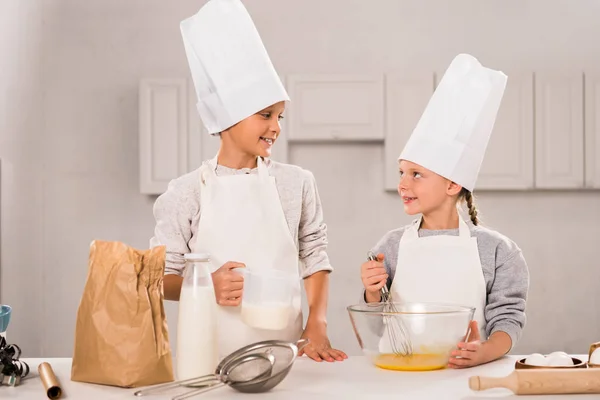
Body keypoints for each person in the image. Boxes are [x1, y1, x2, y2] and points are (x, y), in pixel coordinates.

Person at [150, 0, 347, 363]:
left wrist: (316, 322)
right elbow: (159, 280)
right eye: (265, 115)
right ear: (228, 118)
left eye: (280, 116)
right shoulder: (186, 192)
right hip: (207, 361)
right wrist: (206, 284)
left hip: (286, 361)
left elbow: (314, 256)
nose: (276, 127)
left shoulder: (297, 183)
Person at [360, 54, 530, 369]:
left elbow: (508, 317)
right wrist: (372, 293)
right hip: (400, 376)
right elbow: (377, 326)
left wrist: (488, 351)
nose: (402, 184)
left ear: (453, 185)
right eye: (401, 172)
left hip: (466, 377)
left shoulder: (497, 251)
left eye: (416, 174)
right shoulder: (389, 248)